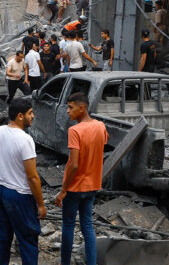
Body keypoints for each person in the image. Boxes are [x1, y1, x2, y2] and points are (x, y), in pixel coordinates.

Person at [0, 98, 46, 265]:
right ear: (20, 116)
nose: (33, 116)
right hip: (19, 195)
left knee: (3, 237)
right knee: (28, 240)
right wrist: (40, 204)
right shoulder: (25, 140)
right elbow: (32, 177)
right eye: (30, 113)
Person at [55, 92, 108, 265]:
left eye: (71, 107)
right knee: (87, 226)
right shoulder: (100, 126)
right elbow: (102, 145)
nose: (68, 111)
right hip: (93, 185)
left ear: (82, 108)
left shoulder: (75, 130)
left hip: (75, 187)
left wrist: (63, 190)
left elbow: (74, 164)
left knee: (68, 226)